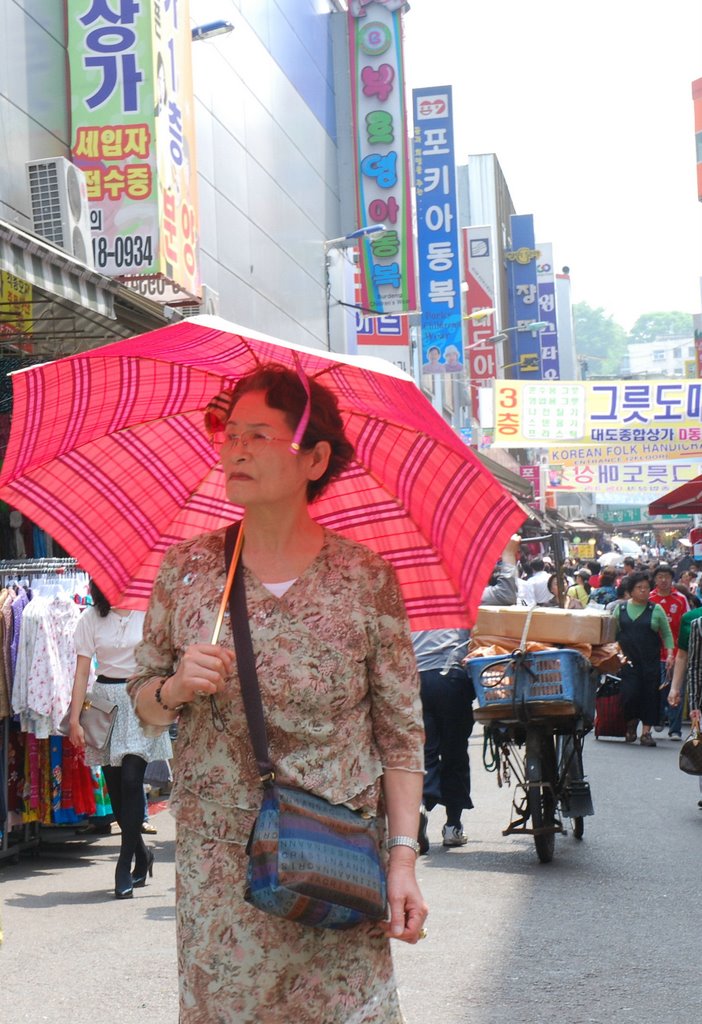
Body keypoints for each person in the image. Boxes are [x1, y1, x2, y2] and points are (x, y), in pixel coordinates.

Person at [126, 365, 428, 1023]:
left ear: (315, 458)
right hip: (223, 874)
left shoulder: (366, 579)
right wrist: (175, 687)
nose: (236, 450)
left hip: (336, 867)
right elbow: (141, 705)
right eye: (231, 434)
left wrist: (402, 862)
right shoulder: (187, 572)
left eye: (260, 436)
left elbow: (402, 739)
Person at [415, 535, 521, 855]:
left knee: (426, 752)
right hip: (451, 679)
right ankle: (452, 826)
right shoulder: (459, 591)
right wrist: (508, 555)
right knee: (455, 753)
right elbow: (506, 594)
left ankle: (419, 811)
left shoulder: (408, 594)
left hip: (415, 679)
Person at [68, 581, 171, 899]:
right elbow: (82, 671)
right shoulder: (90, 618)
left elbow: (164, 661)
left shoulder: (148, 613)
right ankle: (142, 853)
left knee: (130, 780)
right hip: (104, 705)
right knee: (115, 793)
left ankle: (123, 863)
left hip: (140, 701)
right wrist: (74, 719)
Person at [612, 572, 675, 746]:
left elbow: (667, 634)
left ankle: (646, 733)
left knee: (650, 695)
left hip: (650, 661)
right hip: (628, 661)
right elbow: (612, 634)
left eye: (646, 588)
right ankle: (631, 725)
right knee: (629, 694)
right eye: (639, 588)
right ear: (630, 591)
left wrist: (670, 654)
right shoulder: (621, 609)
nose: (644, 591)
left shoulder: (655, 609)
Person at [649, 563, 690, 739]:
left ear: (672, 579)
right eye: (660, 577)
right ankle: (658, 718)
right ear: (655, 579)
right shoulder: (649, 598)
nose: (663, 580)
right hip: (653, 654)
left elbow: (688, 624)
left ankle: (675, 729)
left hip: (676, 653)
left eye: (667, 576)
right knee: (656, 689)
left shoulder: (680, 599)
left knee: (676, 689)